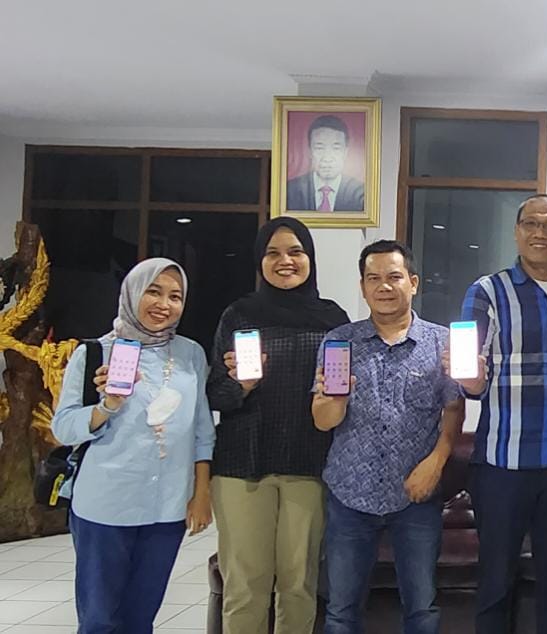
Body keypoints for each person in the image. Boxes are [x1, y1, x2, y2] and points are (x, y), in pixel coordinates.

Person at [455, 194, 547, 633]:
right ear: (517, 232)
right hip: (504, 464)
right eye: (531, 224)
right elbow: (471, 379)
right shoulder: (487, 291)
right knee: (497, 582)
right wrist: (470, 381)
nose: (540, 233)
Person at [51, 258, 215, 633]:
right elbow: (64, 428)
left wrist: (202, 492)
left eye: (175, 296)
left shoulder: (190, 354)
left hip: (167, 508)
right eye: (153, 292)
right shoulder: (94, 353)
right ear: (132, 293)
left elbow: (202, 430)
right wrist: (107, 405)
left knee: (142, 617)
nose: (164, 304)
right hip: (105, 505)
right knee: (99, 618)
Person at [312, 240, 464, 634]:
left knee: (421, 609)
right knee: (341, 612)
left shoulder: (440, 343)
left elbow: (453, 410)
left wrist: (436, 462)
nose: (383, 286)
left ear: (413, 283)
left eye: (394, 277)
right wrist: (334, 401)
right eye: (373, 278)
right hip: (350, 495)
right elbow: (323, 421)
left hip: (416, 498)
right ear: (362, 288)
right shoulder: (339, 342)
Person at [207, 217, 350, 634]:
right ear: (259, 261)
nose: (285, 261)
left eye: (295, 252)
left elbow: (342, 393)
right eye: (273, 253)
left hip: (310, 464)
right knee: (245, 586)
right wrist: (241, 385)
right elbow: (214, 394)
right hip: (242, 466)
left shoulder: (332, 319)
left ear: (310, 258)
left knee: (298, 585)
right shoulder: (239, 314)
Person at [286, 115, 366, 212]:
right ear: (309, 151)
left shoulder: (361, 192)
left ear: (345, 152)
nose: (327, 158)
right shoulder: (290, 190)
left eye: (336, 148)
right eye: (319, 148)